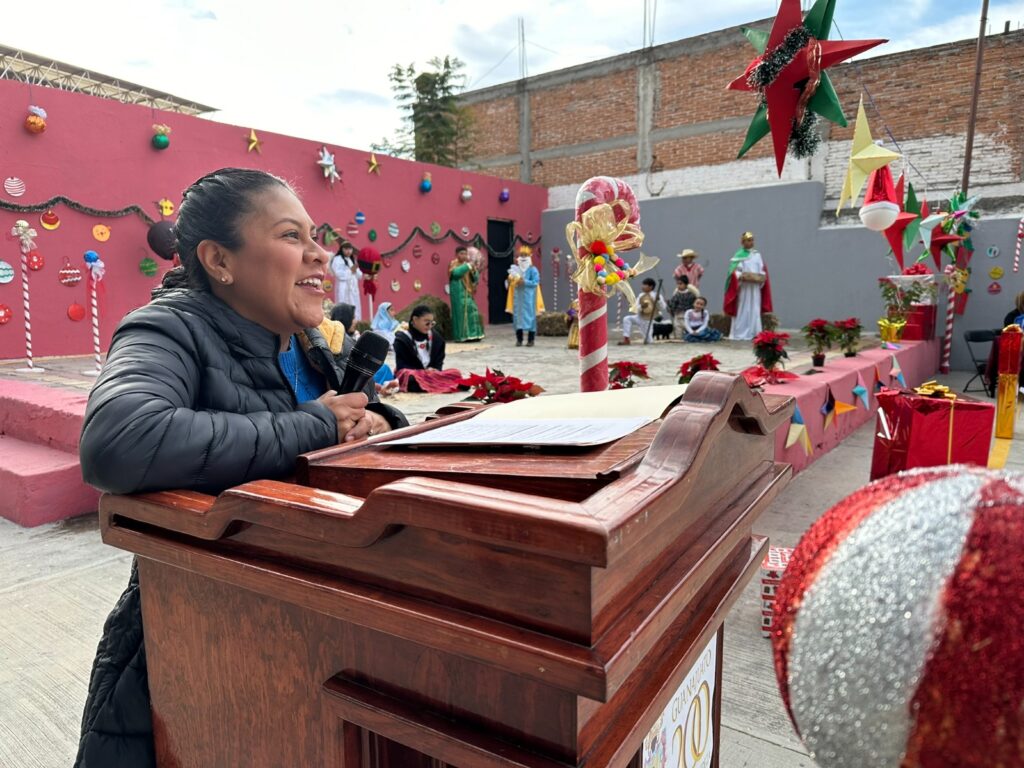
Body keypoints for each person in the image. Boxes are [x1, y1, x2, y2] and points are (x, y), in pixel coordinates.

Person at [74, 168, 408, 768]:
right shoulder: (169, 327)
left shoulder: (301, 341)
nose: (318, 253)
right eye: (290, 236)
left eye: (316, 235)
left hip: (309, 625)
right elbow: (118, 439)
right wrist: (316, 427)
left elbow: (345, 414)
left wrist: (379, 420)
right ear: (218, 260)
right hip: (197, 641)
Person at [393, 305, 465, 393]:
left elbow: (439, 363)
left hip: (431, 375)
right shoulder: (402, 339)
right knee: (409, 377)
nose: (429, 326)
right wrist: (422, 372)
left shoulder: (436, 338)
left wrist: (434, 369)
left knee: (455, 373)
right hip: (413, 374)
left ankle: (430, 384)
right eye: (427, 323)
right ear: (415, 320)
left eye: (432, 323)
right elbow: (401, 365)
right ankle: (437, 384)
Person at [724, 231, 773, 341]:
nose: (751, 242)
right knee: (743, 308)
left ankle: (754, 331)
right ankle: (740, 332)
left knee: (754, 308)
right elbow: (734, 271)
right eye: (748, 240)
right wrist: (741, 276)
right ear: (743, 242)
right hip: (744, 287)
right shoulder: (738, 255)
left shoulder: (757, 254)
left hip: (755, 287)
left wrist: (761, 277)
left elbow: (762, 269)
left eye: (752, 240)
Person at [506, 246, 545, 346]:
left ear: (529, 257)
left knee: (531, 318)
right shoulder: (515, 269)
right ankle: (519, 339)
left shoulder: (533, 270)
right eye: (521, 255)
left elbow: (536, 282)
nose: (523, 257)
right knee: (517, 318)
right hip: (517, 298)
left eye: (525, 255)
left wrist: (525, 282)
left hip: (530, 298)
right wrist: (511, 280)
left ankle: (530, 340)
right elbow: (509, 283)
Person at [448, 245, 485, 342]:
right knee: (461, 314)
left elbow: (475, 279)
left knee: (472, 311)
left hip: (468, 292)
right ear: (456, 255)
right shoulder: (453, 264)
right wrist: (468, 266)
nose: (464, 256)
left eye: (465, 254)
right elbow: (455, 274)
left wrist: (474, 270)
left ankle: (474, 335)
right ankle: (462, 336)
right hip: (458, 293)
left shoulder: (467, 264)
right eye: (461, 253)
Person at [619, 277, 666, 345]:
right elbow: (636, 308)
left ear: (650, 286)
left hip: (648, 320)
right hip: (639, 317)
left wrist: (658, 300)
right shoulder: (641, 295)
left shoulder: (657, 295)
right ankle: (626, 338)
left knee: (649, 341)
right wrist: (642, 307)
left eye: (644, 285)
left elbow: (662, 307)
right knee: (627, 319)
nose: (642, 287)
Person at [330, 239, 361, 322]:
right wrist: (350, 271)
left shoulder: (352, 260)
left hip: (353, 289)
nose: (348, 251)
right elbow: (338, 273)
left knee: (354, 306)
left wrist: (355, 270)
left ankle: (354, 323)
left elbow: (359, 275)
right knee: (343, 305)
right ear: (342, 249)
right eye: (346, 249)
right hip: (343, 288)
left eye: (350, 249)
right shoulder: (337, 259)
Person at [667, 274, 701, 339]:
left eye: (681, 284)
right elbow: (672, 306)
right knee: (678, 333)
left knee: (690, 334)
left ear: (686, 284)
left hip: (689, 317)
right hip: (678, 316)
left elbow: (694, 307)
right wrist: (669, 305)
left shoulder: (691, 295)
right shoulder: (676, 295)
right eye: (678, 284)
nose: (679, 286)